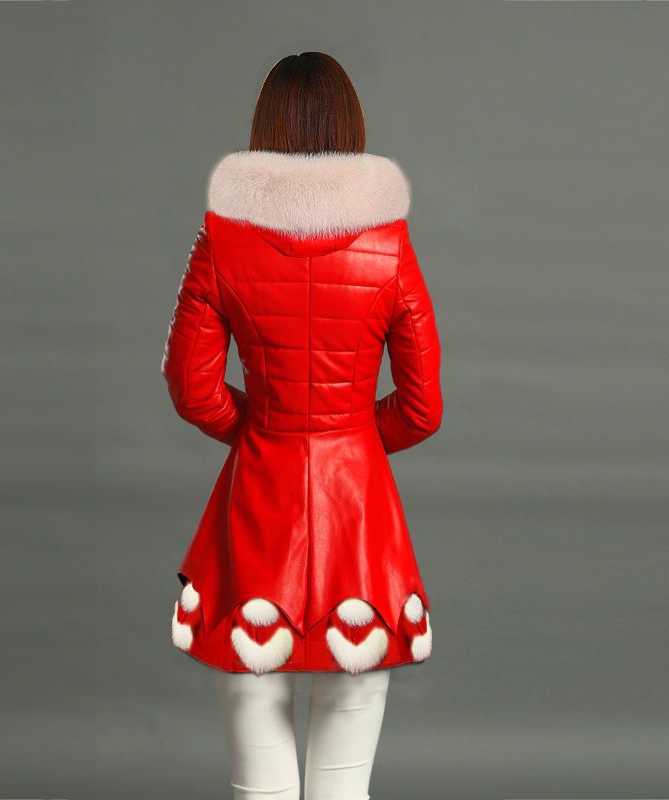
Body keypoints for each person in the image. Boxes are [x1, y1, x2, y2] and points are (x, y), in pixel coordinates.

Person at [162, 51, 444, 800]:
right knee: (344, 781)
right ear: (353, 130)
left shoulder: (221, 241)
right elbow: (423, 408)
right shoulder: (388, 245)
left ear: (265, 131)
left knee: (259, 775)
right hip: (362, 526)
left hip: (256, 508)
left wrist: (269, 428)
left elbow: (192, 390)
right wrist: (350, 437)